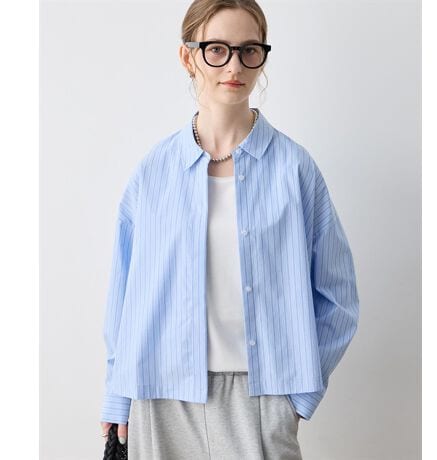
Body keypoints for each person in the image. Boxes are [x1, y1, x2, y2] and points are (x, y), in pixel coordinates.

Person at [99, 0, 360, 458]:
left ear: (262, 57)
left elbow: (339, 297)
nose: (234, 66)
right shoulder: (154, 171)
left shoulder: (294, 170)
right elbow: (125, 297)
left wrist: (297, 397)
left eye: (249, 50)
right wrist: (117, 395)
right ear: (188, 56)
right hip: (159, 396)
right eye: (217, 49)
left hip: (261, 399)